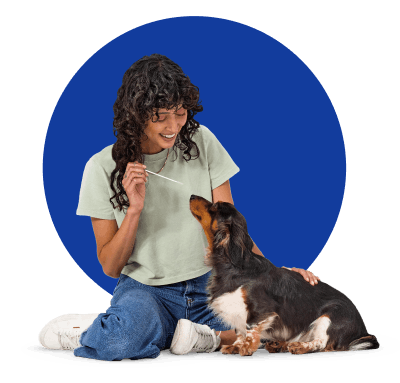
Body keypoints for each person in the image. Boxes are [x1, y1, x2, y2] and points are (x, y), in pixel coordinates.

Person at [38, 54, 320, 361]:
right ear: (136, 115)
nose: (173, 126)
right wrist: (133, 210)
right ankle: (96, 329)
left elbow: (230, 227)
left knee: (286, 324)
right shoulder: (101, 167)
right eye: (160, 116)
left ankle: (191, 335)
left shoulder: (202, 142)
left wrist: (276, 276)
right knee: (119, 343)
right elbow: (110, 266)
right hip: (147, 292)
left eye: (180, 113)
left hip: (210, 286)